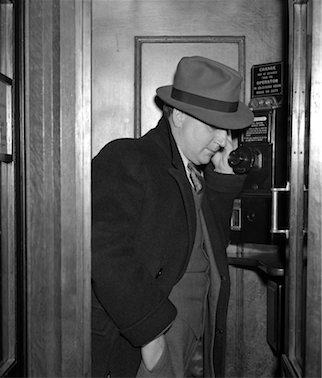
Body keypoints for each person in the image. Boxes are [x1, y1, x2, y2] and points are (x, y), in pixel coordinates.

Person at [91, 56, 254, 377]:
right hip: (145, 348)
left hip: (187, 343)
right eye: (213, 127)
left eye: (227, 130)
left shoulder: (191, 172)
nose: (223, 141)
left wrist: (221, 184)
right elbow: (103, 250)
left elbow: (208, 249)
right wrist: (152, 340)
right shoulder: (129, 157)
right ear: (178, 115)